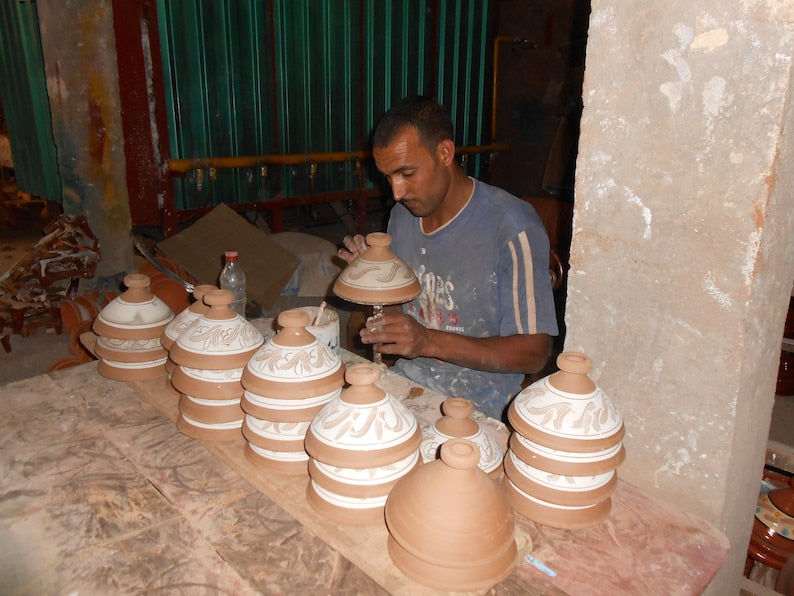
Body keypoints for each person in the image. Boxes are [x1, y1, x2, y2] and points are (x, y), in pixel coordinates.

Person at [339, 96, 558, 422]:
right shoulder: (402, 217)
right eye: (388, 177)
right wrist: (376, 281)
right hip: (409, 383)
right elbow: (402, 319)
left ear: (445, 153)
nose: (396, 193)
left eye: (406, 173)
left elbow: (535, 353)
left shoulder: (512, 227)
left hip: (481, 399)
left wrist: (428, 341)